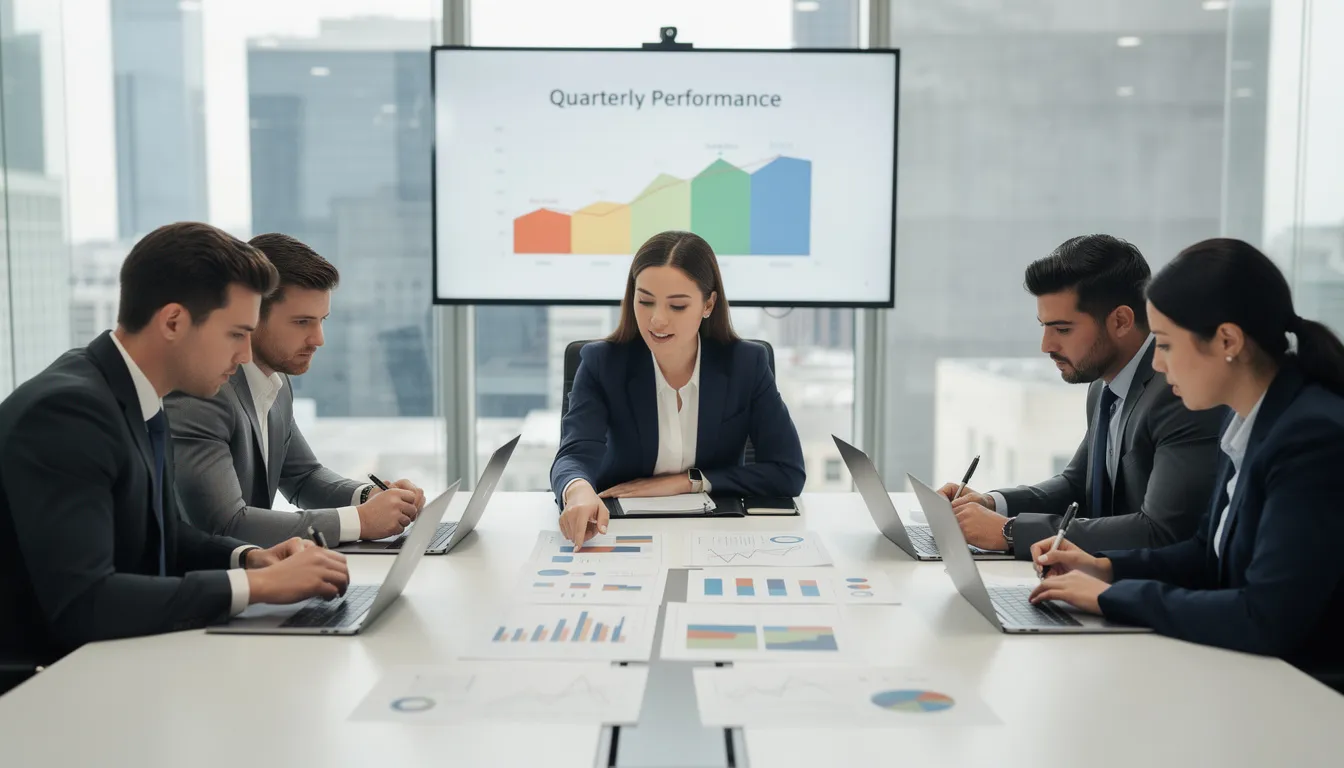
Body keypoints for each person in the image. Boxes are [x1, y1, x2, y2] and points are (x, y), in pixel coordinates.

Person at [0, 223, 350, 676]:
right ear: (173, 322)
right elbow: (85, 602)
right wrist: (255, 586)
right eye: (236, 334)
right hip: (44, 689)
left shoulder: (134, 394)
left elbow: (164, 536)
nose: (247, 356)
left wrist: (247, 558)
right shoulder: (68, 413)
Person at [1029, 238, 1344, 677]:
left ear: (1227, 340)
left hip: (1306, 696)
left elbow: (1265, 616)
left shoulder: (1311, 438)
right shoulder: (1252, 422)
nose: (1156, 365)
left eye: (1165, 344)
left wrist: (1109, 598)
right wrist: (1105, 569)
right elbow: (1206, 554)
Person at [939, 234, 1224, 558]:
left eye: (1062, 330)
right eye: (1044, 327)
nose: (1046, 345)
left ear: (1120, 321)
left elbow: (1159, 532)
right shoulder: (1103, 385)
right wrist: (992, 503)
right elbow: (1078, 487)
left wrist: (1011, 531)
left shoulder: (1179, 392)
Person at [165, 233, 424, 549]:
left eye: (321, 320)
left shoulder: (274, 380)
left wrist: (373, 497)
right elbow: (226, 524)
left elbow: (304, 478)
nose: (318, 339)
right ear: (250, 315)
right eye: (302, 322)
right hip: (203, 588)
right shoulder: (201, 390)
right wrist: (362, 521)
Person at [552, 231, 805, 546]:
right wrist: (578, 492)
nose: (657, 320)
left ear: (708, 304)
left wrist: (688, 483)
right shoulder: (602, 363)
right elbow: (574, 454)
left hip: (717, 535)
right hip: (619, 532)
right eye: (645, 301)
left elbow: (787, 471)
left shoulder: (746, 364)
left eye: (677, 306)